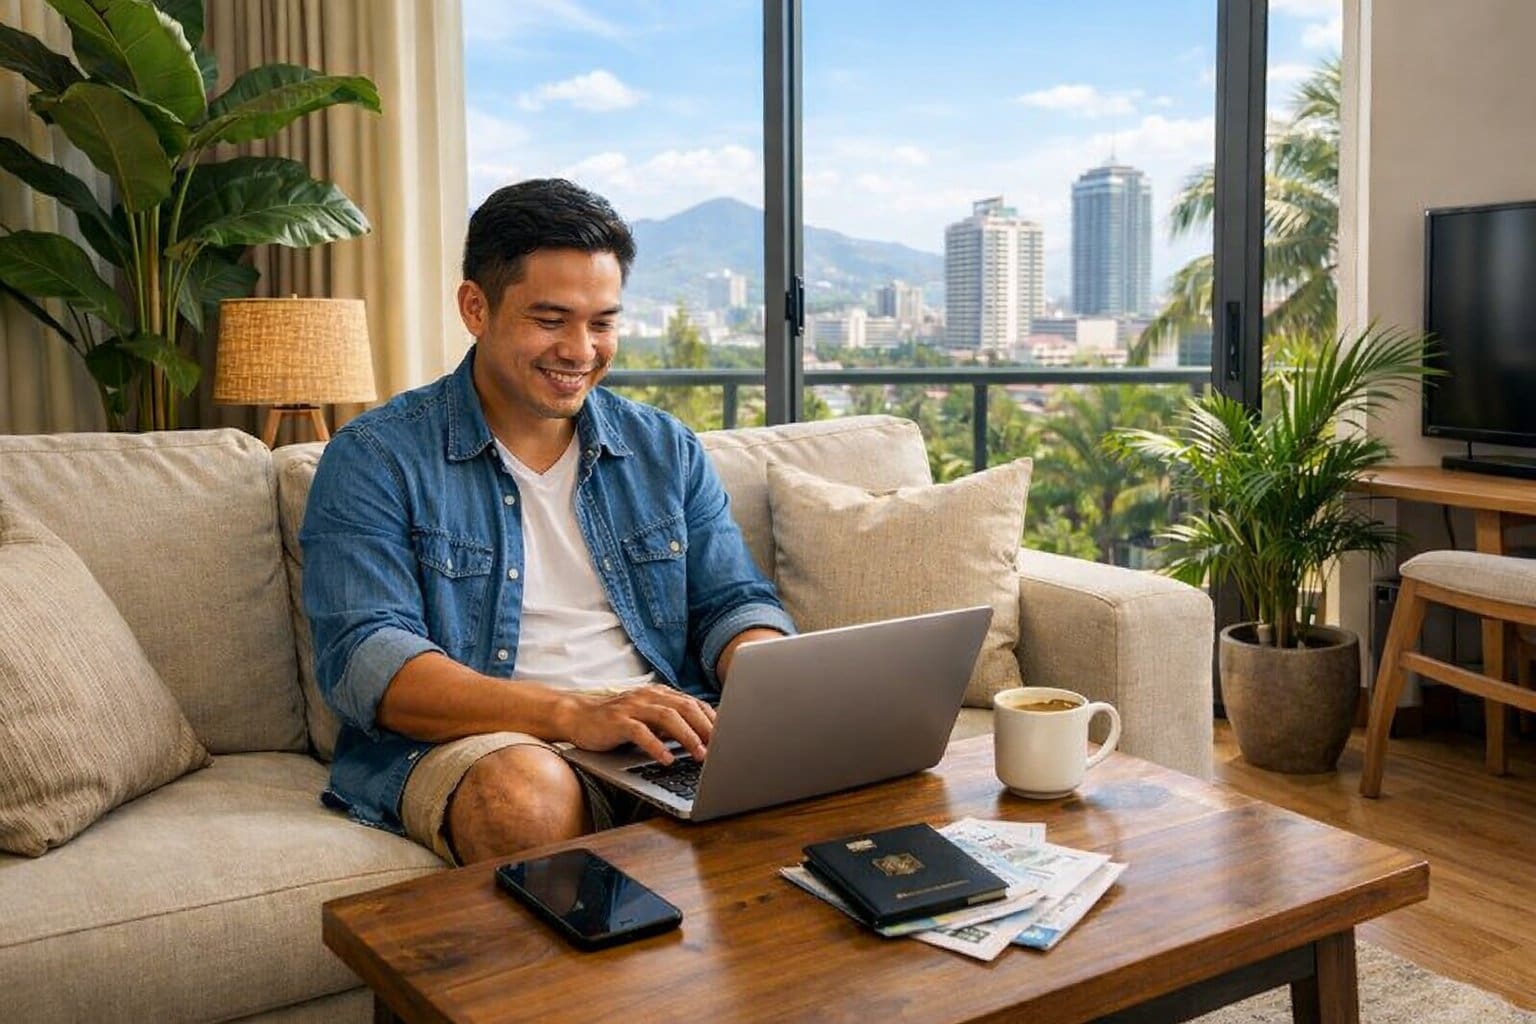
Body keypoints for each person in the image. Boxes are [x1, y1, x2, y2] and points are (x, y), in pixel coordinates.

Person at [300, 178, 793, 865]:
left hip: (656, 738)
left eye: (602, 322)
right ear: (476, 307)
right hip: (491, 742)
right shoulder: (376, 457)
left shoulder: (663, 448)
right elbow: (369, 662)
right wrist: (573, 713)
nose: (581, 351)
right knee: (525, 796)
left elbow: (732, 601)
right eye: (551, 320)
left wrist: (773, 677)